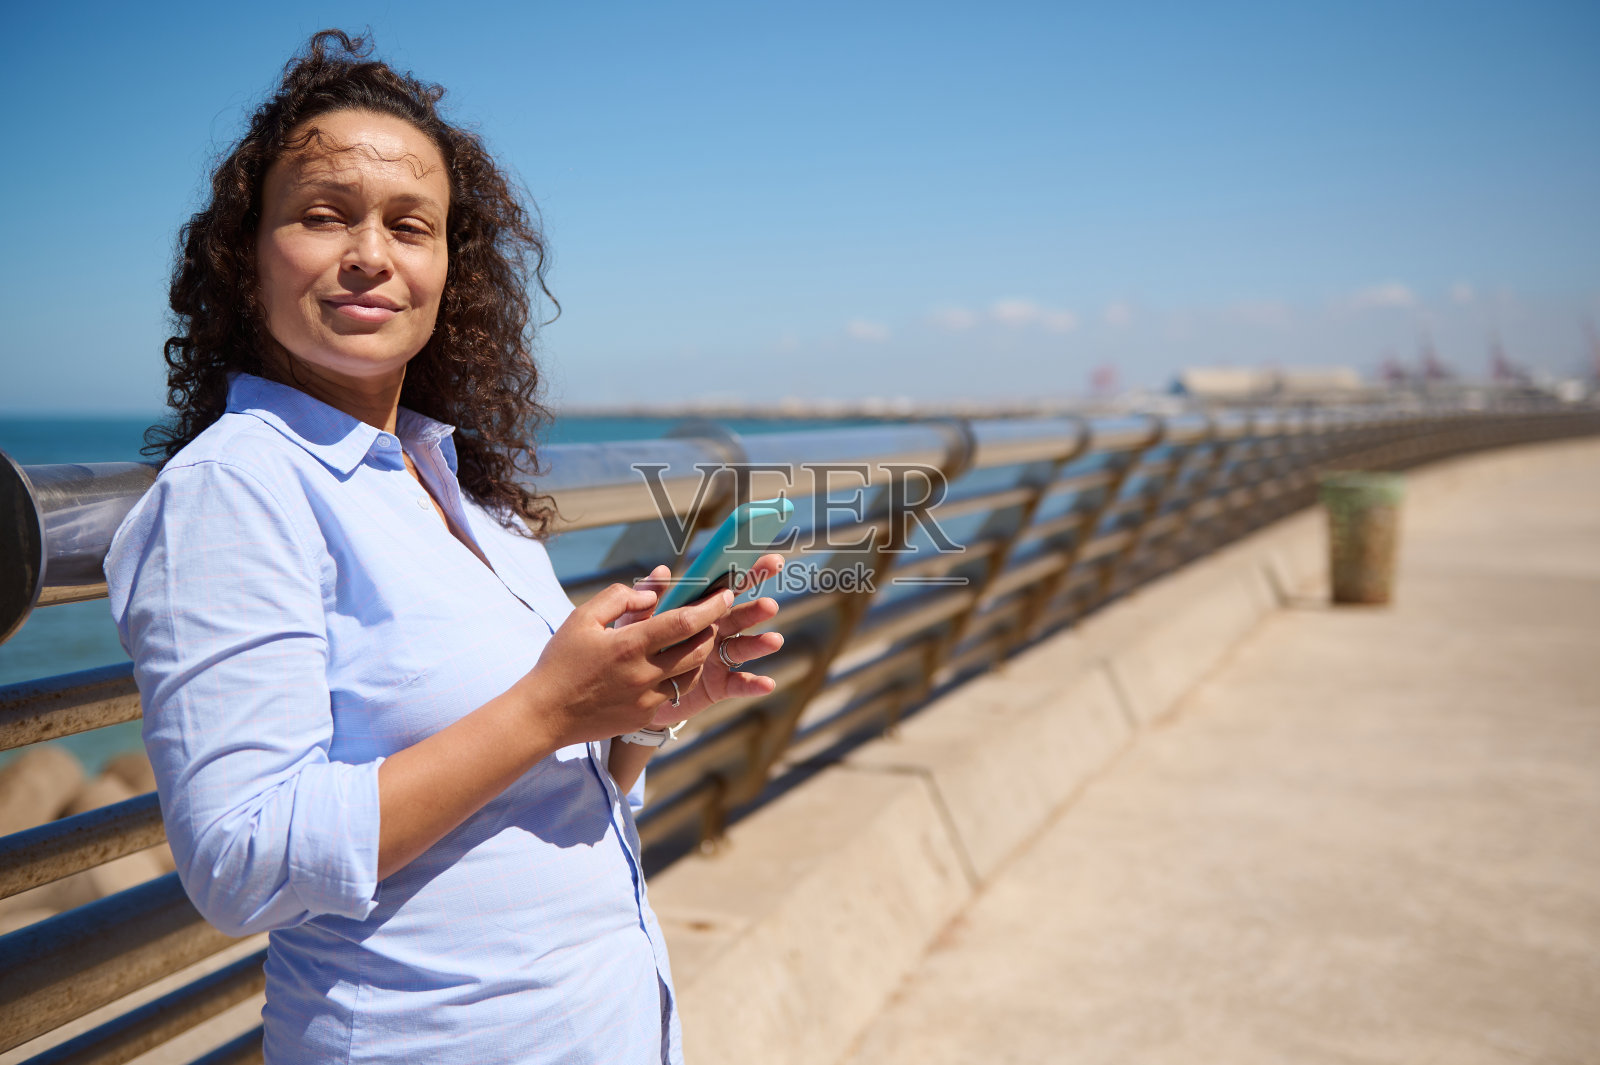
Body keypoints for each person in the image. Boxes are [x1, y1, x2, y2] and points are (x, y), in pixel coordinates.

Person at [104, 30, 783, 1065]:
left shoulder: (457, 485)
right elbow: (239, 863)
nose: (371, 254)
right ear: (246, 257)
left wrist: (638, 712)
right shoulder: (235, 486)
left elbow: (532, 783)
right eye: (322, 215)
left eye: (409, 225)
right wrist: (549, 705)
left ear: (447, 271)